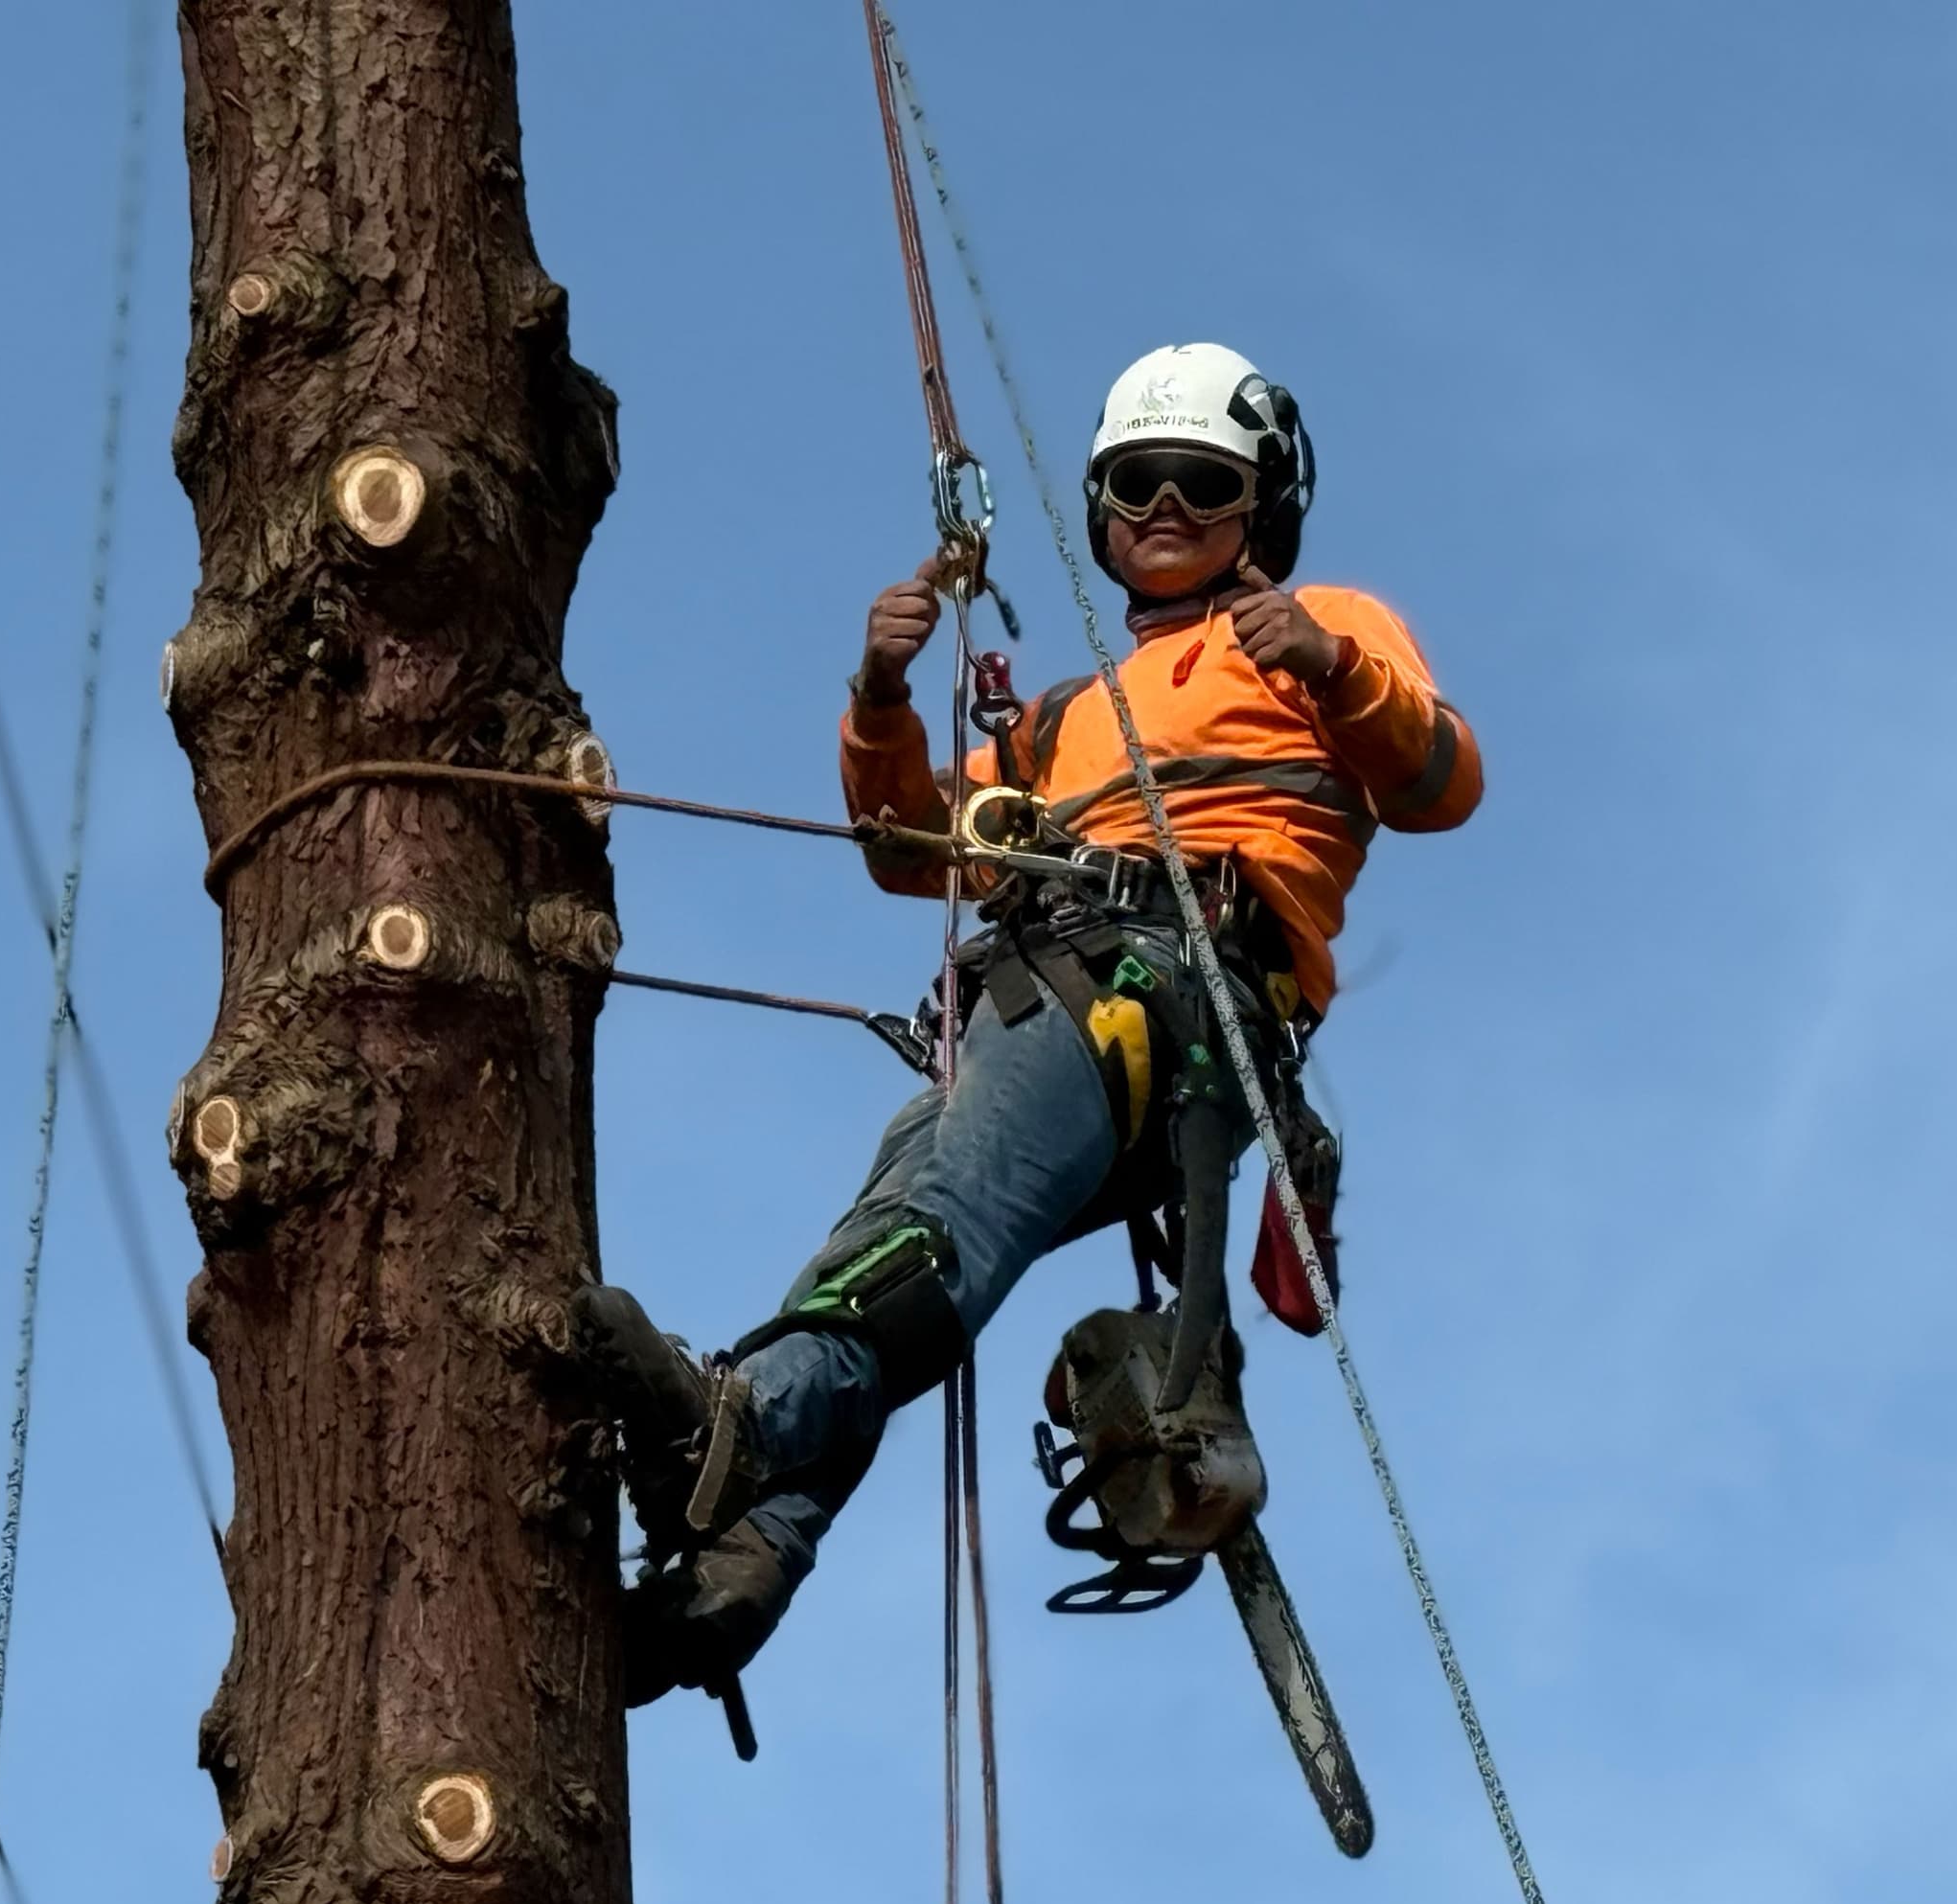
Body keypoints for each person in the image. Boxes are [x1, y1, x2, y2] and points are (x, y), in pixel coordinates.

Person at [582, 343, 1483, 1712]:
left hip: (1164, 990)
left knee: (942, 1218)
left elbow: (1440, 783)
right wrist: (879, 704)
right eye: (1137, 484)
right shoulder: (1065, 720)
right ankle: (745, 1563)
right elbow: (907, 850)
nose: (1164, 509)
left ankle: (746, 1423)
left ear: (1264, 503)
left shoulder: (1325, 629)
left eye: (1201, 483)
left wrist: (1334, 665)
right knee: (890, 1239)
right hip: (1040, 992)